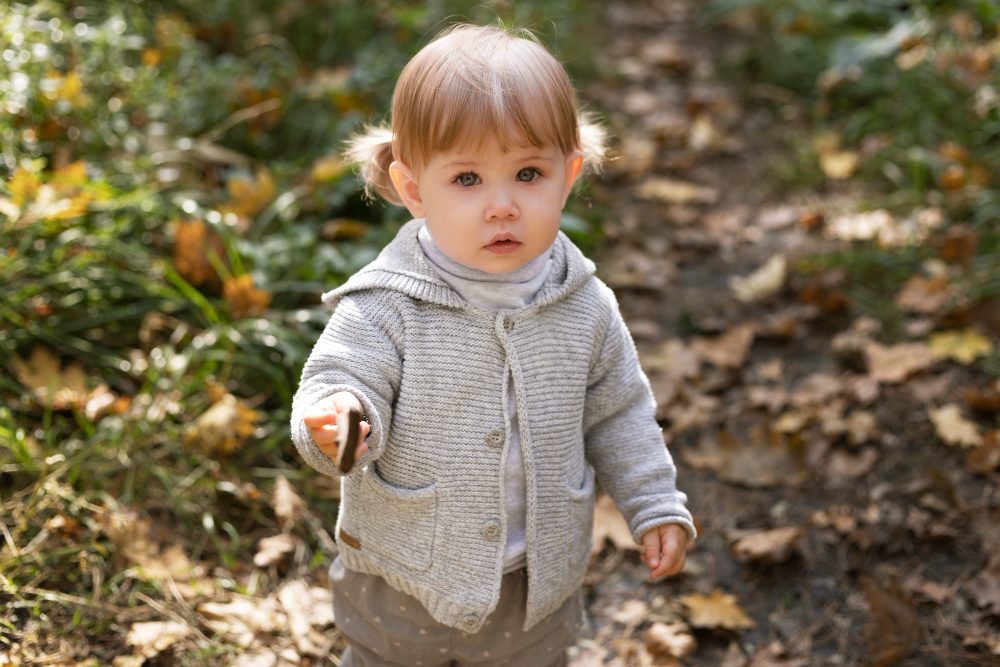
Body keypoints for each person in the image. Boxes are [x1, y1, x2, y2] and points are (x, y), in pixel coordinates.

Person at [290, 23, 696, 667]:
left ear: (569, 176)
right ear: (415, 190)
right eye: (468, 179)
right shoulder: (388, 304)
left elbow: (619, 410)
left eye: (528, 173)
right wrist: (338, 419)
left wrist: (653, 504)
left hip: (534, 587)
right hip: (404, 582)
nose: (502, 205)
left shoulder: (583, 303)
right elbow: (342, 378)